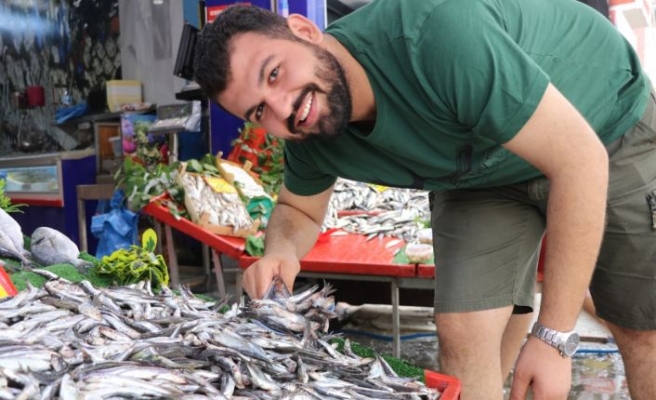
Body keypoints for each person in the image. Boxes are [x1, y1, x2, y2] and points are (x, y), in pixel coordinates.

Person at [193, 0, 656, 398]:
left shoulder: (433, 36)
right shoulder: (309, 132)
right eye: (259, 110)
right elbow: (298, 208)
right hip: (481, 169)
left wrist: (554, 338)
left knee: (640, 328)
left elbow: (579, 160)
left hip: (601, 124)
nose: (285, 107)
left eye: (274, 73)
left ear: (305, 30)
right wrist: (279, 251)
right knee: (463, 330)